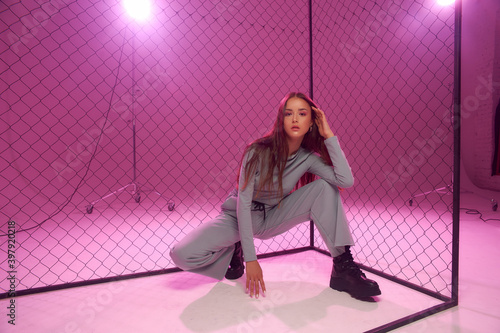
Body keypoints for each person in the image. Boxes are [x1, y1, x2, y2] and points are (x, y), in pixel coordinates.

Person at [170, 92, 381, 300]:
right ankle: (234, 249)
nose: (295, 119)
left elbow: (346, 181)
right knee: (181, 254)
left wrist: (329, 135)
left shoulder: (308, 158)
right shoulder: (257, 150)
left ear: (311, 122)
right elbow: (243, 203)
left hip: (272, 216)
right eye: (289, 114)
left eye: (302, 114)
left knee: (325, 188)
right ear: (281, 120)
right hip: (238, 216)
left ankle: (342, 267)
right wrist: (251, 260)